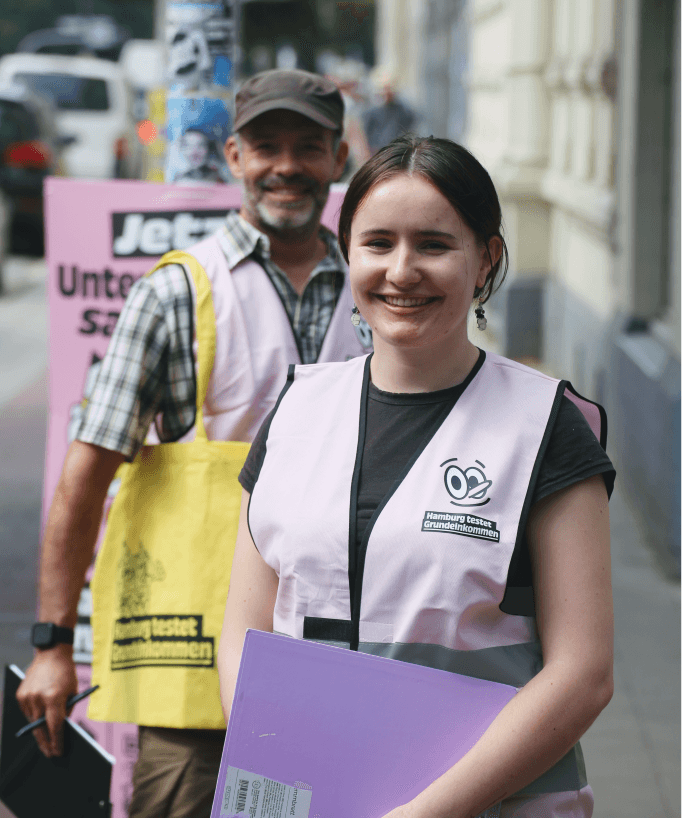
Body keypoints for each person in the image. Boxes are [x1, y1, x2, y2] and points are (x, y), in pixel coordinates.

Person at [218, 135, 616, 818]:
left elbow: (584, 676)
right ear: (349, 252)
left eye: (433, 244)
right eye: (378, 243)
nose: (401, 271)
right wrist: (275, 759)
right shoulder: (296, 408)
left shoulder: (547, 427)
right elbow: (245, 631)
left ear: (485, 257)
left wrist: (422, 814)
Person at [16, 68, 373, 818]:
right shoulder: (176, 291)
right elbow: (86, 476)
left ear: (338, 159)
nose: (286, 166)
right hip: (195, 667)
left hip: (343, 655)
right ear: (234, 156)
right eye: (266, 146)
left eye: (308, 147)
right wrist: (51, 645)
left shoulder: (379, 290)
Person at [363, 67, 418, 155]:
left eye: (388, 88)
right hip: (378, 152)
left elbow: (410, 126)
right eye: (383, 89)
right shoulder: (372, 111)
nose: (386, 92)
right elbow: (367, 133)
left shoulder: (403, 110)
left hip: (397, 152)